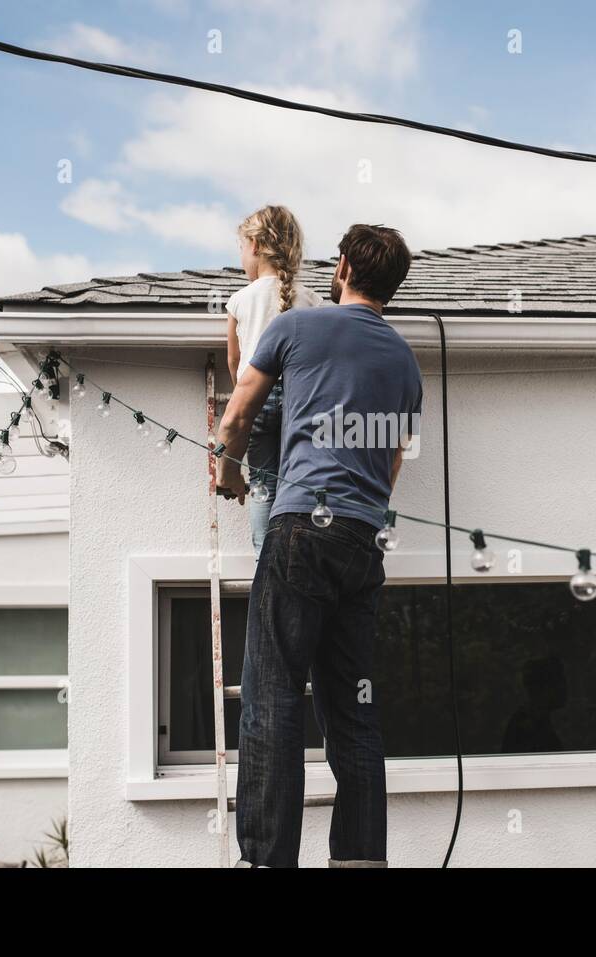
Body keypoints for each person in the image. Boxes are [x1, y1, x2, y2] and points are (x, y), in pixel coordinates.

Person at [214, 224, 421, 868]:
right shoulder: (406, 364)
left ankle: (267, 859)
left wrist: (228, 471)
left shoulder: (297, 327)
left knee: (273, 695)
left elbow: (240, 414)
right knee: (353, 710)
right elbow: (390, 467)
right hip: (362, 544)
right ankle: (360, 860)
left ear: (342, 268)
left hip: (302, 528)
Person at [226, 206, 323, 553]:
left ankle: (264, 558)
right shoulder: (312, 300)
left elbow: (235, 360)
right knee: (300, 482)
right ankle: (298, 548)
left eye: (240, 249)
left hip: (257, 400)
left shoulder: (240, 299)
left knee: (263, 482)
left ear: (253, 245)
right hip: (301, 402)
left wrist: (245, 402)